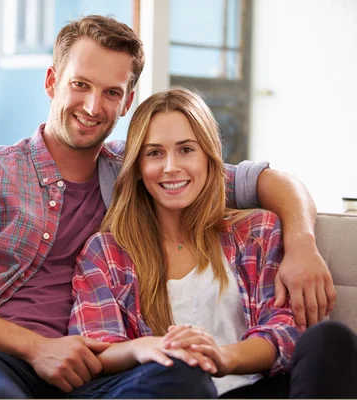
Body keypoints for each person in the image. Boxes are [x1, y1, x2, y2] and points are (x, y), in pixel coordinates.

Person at [0, 15, 336, 399]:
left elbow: (267, 180)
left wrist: (302, 243)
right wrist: (36, 347)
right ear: (51, 81)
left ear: (126, 103)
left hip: (91, 370)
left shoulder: (140, 169)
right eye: (80, 84)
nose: (92, 105)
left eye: (111, 92)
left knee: (182, 382)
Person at [69, 87, 357, 398]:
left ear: (208, 156)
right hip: (173, 389)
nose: (170, 167)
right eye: (154, 153)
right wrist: (151, 348)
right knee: (181, 373)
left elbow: (285, 331)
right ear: (138, 168)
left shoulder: (257, 232)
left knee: (330, 338)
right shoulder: (107, 252)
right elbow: (96, 348)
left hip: (257, 388)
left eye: (186, 149)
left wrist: (224, 358)